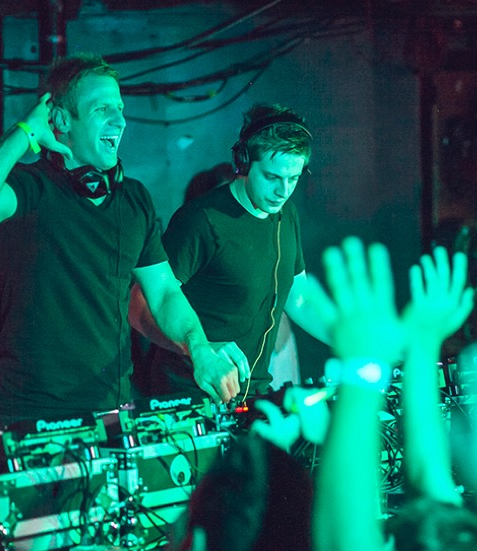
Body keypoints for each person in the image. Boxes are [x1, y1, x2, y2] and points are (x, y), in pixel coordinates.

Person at [0, 53, 241, 428]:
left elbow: (165, 292)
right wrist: (27, 131)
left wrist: (199, 348)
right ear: (60, 120)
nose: (119, 120)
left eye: (120, 108)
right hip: (34, 413)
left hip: (112, 409)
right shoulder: (30, 188)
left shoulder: (134, 199)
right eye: (102, 109)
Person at [130, 104, 330, 399]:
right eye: (272, 177)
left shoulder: (287, 215)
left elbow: (298, 297)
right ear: (244, 163)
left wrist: (351, 339)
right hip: (189, 394)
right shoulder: (202, 219)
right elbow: (137, 306)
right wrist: (198, 349)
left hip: (252, 393)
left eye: (294, 178)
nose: (283, 191)